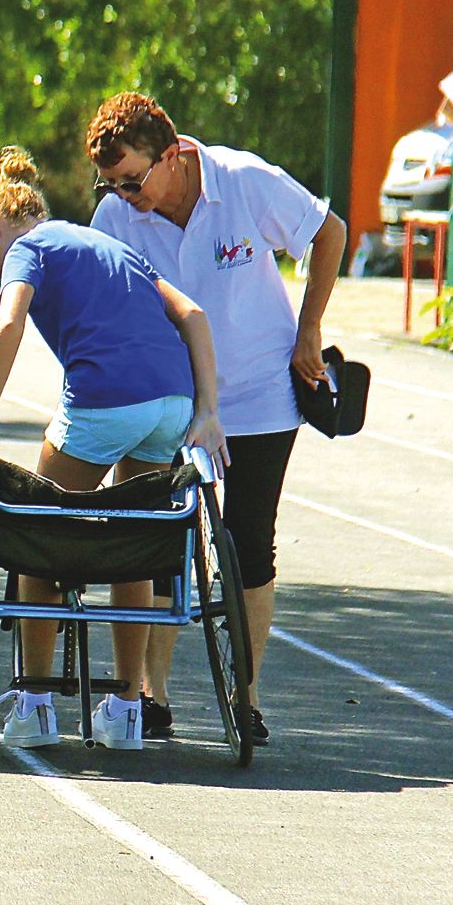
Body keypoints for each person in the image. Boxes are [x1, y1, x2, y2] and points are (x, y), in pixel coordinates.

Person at [0, 147, 226, 751]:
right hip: (173, 401)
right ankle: (126, 710)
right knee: (134, 544)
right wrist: (207, 414)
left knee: (41, 539)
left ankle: (36, 703)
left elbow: (8, 322)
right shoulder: (110, 245)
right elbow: (194, 314)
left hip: (106, 399)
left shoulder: (27, 248)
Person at [86, 91, 346, 745]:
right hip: (167, 397)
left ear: (171, 155)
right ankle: (151, 694)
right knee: (153, 537)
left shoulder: (240, 181)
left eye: (131, 180)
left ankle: (244, 695)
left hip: (259, 392)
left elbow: (327, 230)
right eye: (109, 184)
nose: (122, 195)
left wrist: (308, 327)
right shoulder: (114, 218)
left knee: (246, 542)